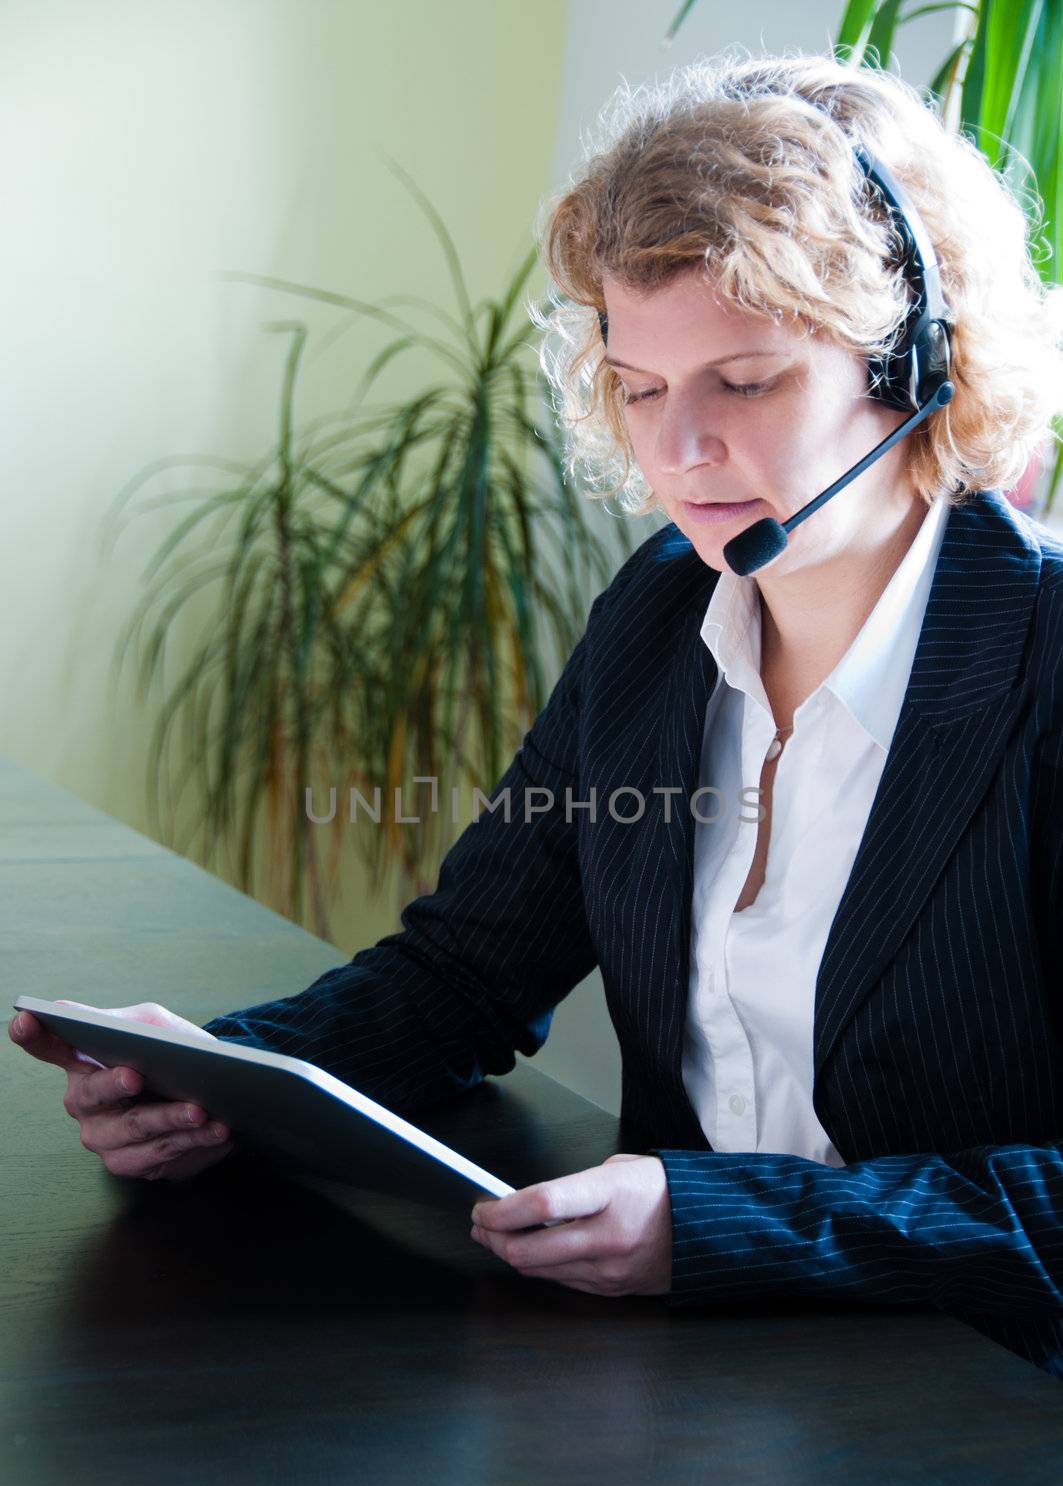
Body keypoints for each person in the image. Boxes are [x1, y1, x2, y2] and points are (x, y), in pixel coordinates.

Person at [12, 50, 1063, 1371]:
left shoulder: (1041, 660)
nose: (677, 454)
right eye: (640, 388)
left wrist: (722, 1221)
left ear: (920, 364)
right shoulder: (662, 617)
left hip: (986, 1422)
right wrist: (234, 1083)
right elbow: (469, 969)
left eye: (743, 383)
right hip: (701, 1383)